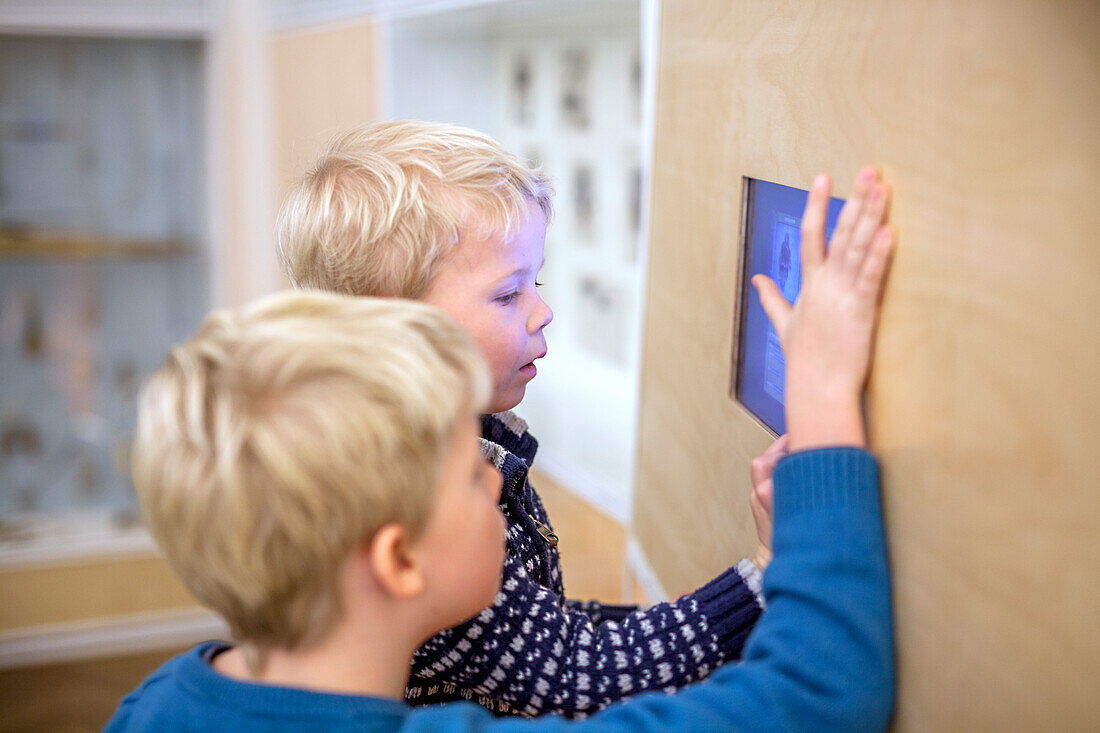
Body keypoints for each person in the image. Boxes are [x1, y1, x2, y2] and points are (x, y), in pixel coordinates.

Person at [106, 165, 897, 732]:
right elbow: (819, 695)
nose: (497, 486)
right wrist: (824, 396)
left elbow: (551, 626)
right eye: (468, 475)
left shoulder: (157, 703)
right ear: (398, 558)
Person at [277, 121, 767, 716]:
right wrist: (762, 581)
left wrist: (665, 621)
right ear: (395, 331)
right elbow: (572, 674)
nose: (544, 311)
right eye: (509, 295)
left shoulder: (465, 439)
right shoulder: (413, 506)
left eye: (534, 282)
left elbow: (534, 622)